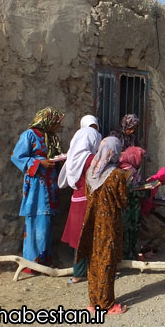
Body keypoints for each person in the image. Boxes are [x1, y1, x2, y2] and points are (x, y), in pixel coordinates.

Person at [77, 137, 128, 314]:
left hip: (92, 222)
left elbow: (87, 195)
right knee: (107, 260)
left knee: (93, 259)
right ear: (114, 152)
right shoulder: (117, 175)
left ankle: (93, 301)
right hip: (109, 225)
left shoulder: (91, 173)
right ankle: (107, 304)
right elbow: (123, 202)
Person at [11, 107, 65, 271]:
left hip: (50, 185)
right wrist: (39, 163)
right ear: (48, 121)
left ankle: (45, 260)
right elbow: (17, 157)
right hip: (37, 186)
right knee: (36, 220)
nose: (58, 126)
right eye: (56, 123)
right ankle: (31, 264)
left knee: (47, 222)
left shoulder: (51, 137)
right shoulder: (29, 135)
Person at [59, 115, 102, 284]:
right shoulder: (90, 159)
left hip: (76, 200)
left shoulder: (72, 158)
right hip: (89, 202)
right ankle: (88, 271)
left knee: (78, 237)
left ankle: (78, 272)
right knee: (90, 236)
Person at [118, 146, 147, 260]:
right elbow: (127, 191)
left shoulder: (134, 170)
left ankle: (132, 253)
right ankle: (126, 255)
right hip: (128, 207)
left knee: (133, 229)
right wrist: (142, 190)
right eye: (140, 157)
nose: (141, 160)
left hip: (133, 207)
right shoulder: (125, 171)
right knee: (126, 229)